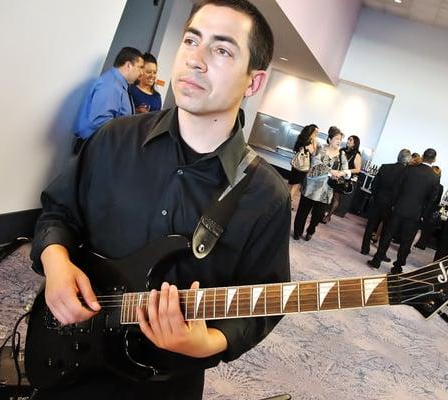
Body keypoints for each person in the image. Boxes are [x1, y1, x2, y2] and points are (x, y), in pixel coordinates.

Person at [30, 1, 290, 399]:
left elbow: (265, 300)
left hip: (166, 383)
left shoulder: (266, 195)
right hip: (70, 356)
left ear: (253, 82)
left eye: (222, 50)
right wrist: (55, 261)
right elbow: (58, 212)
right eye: (191, 40)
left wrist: (208, 345)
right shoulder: (115, 138)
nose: (196, 60)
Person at [367, 148, 440, 273]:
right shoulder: (434, 177)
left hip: (398, 209)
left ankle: (377, 260)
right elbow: (431, 200)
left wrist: (394, 204)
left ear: (423, 156)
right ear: (434, 160)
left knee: (387, 235)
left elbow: (397, 188)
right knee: (407, 241)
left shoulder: (410, 169)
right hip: (415, 214)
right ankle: (397, 267)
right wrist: (422, 214)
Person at [73, 47, 144, 152]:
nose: (141, 73)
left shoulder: (120, 85)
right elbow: (100, 121)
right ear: (129, 65)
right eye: (140, 67)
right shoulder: (111, 85)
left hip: (100, 146)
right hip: (95, 148)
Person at [293, 128, 348, 241]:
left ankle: (311, 230)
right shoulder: (321, 148)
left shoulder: (342, 154)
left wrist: (339, 173)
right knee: (302, 211)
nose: (339, 141)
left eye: (340, 139)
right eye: (337, 139)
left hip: (326, 190)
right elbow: (315, 163)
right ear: (329, 139)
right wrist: (331, 171)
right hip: (311, 186)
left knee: (318, 215)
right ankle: (298, 232)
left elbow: (346, 170)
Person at [360, 149, 411, 256]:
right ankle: (380, 254)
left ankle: (364, 249)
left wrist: (376, 197)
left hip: (378, 201)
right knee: (387, 231)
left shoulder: (385, 167)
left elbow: (374, 184)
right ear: (407, 160)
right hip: (392, 206)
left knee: (370, 226)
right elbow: (403, 191)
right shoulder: (407, 172)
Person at [322, 134, 361, 222]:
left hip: (342, 178)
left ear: (355, 143)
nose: (348, 141)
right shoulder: (342, 150)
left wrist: (345, 171)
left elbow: (358, 169)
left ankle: (328, 215)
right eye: (348, 139)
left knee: (336, 197)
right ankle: (321, 212)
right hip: (333, 175)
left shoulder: (356, 155)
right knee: (327, 194)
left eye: (350, 140)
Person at [413, 165, 444, 250]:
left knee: (414, 228)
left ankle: (407, 245)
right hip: (430, 211)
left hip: (420, 207)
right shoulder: (440, 187)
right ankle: (411, 246)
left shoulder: (426, 181)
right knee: (419, 229)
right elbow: (438, 201)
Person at [288, 124, 318, 207]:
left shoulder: (301, 140)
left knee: (291, 184)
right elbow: (315, 154)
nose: (316, 135)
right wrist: (315, 142)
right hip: (302, 168)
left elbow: (295, 149)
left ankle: (285, 201)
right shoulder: (309, 143)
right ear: (311, 132)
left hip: (295, 165)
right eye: (316, 133)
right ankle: (288, 204)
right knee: (296, 186)